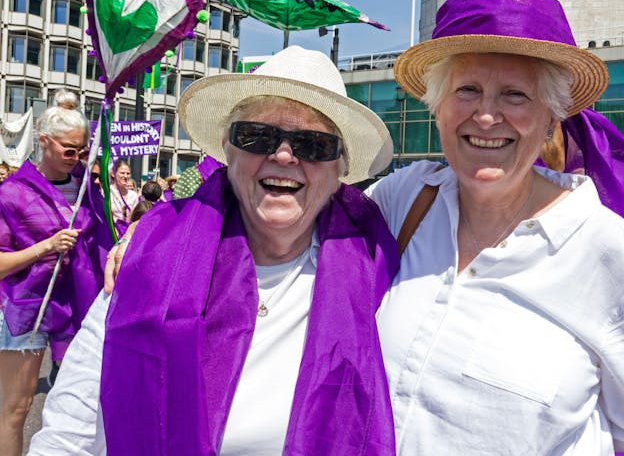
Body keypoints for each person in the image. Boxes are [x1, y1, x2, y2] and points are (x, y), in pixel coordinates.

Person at [366, 0, 624, 454]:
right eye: (468, 90)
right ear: (437, 108)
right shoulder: (405, 200)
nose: (486, 115)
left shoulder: (606, 252)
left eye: (515, 95)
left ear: (549, 121)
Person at [28, 46, 398, 455]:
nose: (283, 155)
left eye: (313, 144)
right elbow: (72, 424)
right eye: (258, 136)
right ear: (227, 149)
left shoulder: (378, 261)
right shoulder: (151, 255)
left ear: (340, 169)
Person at [0, 89, 110, 456]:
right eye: (68, 150)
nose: (75, 158)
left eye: (81, 151)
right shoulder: (12, 193)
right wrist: (45, 247)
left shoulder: (89, 190)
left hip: (76, 306)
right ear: (43, 142)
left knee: (77, 407)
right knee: (17, 409)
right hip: (26, 307)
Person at [108, 159, 138, 236]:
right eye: (122, 173)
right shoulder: (107, 193)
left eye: (128, 174)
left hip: (127, 235)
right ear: (113, 174)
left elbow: (135, 219)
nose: (125, 176)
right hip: (111, 235)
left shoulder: (133, 195)